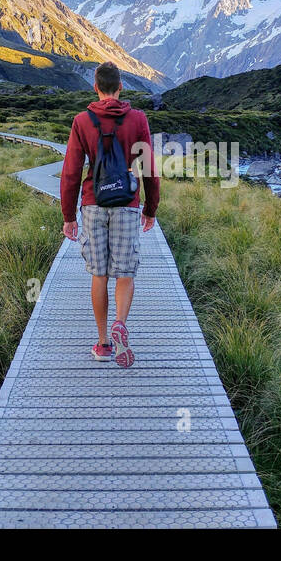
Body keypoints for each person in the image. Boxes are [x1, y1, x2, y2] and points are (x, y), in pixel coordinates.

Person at [59, 61, 159, 367]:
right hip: (127, 204)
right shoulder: (138, 119)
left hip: (92, 204)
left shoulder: (81, 121)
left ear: (95, 87)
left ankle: (103, 343)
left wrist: (68, 216)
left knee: (99, 273)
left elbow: (71, 172)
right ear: (121, 87)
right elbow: (150, 168)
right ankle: (120, 324)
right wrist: (150, 208)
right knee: (125, 272)